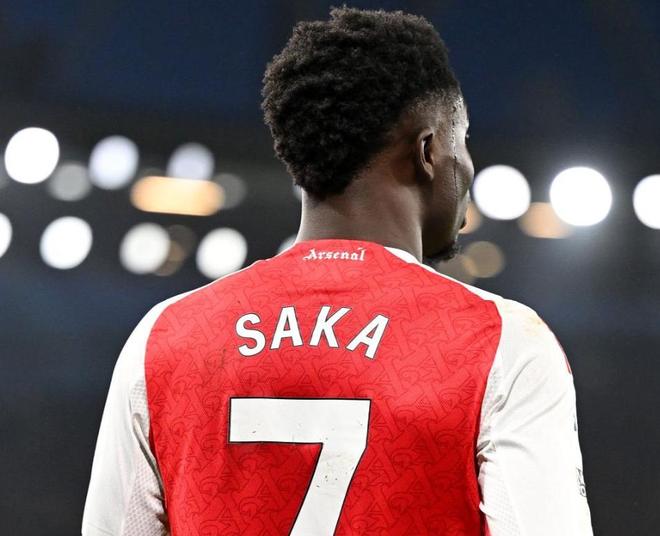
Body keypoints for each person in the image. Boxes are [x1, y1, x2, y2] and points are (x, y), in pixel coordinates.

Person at [82, 6, 593, 535]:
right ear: (427, 151)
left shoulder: (164, 339)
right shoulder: (500, 344)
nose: (468, 166)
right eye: (462, 139)